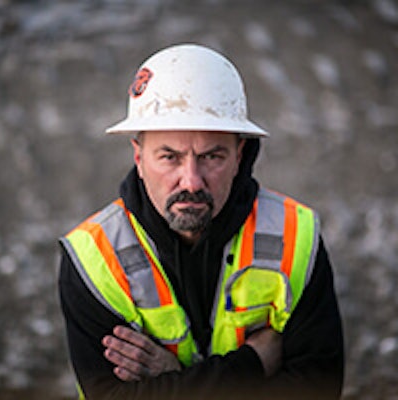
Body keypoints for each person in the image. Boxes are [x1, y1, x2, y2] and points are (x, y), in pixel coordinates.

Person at [59, 44, 344, 400]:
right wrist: (253, 364)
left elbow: (318, 389)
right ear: (139, 156)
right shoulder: (94, 259)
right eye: (169, 157)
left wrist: (175, 378)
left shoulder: (295, 237)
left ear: (239, 156)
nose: (191, 181)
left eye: (212, 156)